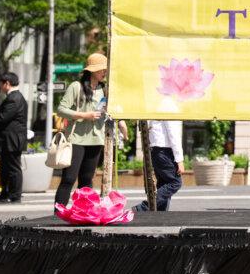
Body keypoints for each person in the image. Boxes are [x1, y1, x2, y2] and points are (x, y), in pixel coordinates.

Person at [54, 53, 126, 208]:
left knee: (87, 179)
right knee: (69, 178)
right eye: (102, 69)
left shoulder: (105, 90)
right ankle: (58, 212)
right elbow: (61, 109)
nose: (104, 72)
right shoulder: (76, 87)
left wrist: (121, 123)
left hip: (96, 139)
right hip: (76, 140)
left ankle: (83, 211)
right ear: (92, 70)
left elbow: (114, 111)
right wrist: (84, 115)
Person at [133, 120, 184, 212]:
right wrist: (179, 159)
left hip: (156, 150)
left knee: (163, 183)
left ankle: (160, 213)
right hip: (164, 150)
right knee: (175, 182)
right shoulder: (168, 109)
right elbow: (173, 135)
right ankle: (144, 207)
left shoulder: (157, 108)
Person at [0, 74, 28, 203]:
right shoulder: (14, 97)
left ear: (7, 83)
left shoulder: (14, 98)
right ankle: (5, 193)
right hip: (9, 140)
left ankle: (15, 195)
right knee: (5, 167)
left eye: (0, 83)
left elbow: (3, 117)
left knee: (13, 167)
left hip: (12, 140)